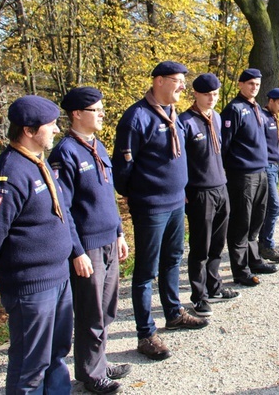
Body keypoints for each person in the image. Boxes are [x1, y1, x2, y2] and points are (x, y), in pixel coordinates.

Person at [0, 95, 90, 394]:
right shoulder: (9, 174)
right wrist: (16, 271)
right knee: (30, 367)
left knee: (56, 353)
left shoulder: (38, 163)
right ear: (28, 130)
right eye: (50, 125)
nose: (56, 129)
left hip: (58, 277)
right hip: (31, 287)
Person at [112, 61, 208, 362]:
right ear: (159, 81)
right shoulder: (136, 117)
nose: (183, 86)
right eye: (178, 81)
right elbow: (123, 170)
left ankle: (173, 312)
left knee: (172, 260)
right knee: (145, 271)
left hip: (176, 202)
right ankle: (145, 333)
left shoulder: (173, 115)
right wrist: (139, 195)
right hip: (151, 206)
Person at [48, 87, 130, 394]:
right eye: (96, 110)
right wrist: (77, 251)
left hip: (109, 239)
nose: (102, 114)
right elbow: (63, 209)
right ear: (77, 114)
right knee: (91, 311)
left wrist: (120, 232)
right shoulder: (65, 152)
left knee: (107, 308)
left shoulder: (98, 146)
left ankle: (99, 361)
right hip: (89, 247)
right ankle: (91, 374)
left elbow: (107, 196)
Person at [178, 73, 240, 318]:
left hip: (220, 186)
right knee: (200, 247)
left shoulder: (216, 117)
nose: (212, 98)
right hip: (199, 191)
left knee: (217, 243)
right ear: (195, 94)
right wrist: (183, 189)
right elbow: (179, 160)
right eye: (207, 94)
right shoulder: (185, 122)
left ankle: (215, 286)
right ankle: (199, 296)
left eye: (215, 94)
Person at [220, 68, 278, 287]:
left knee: (257, 220)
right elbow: (224, 145)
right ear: (241, 84)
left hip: (261, 172)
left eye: (257, 84)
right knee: (240, 224)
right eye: (250, 83)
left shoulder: (256, 108)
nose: (254, 87)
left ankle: (254, 260)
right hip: (242, 176)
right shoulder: (234, 109)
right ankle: (240, 270)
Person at [258, 88, 279, 262]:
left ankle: (264, 243)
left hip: (274, 167)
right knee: (274, 207)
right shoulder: (261, 117)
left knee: (269, 208)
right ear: (270, 101)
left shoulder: (272, 117)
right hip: (266, 167)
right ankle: (266, 245)